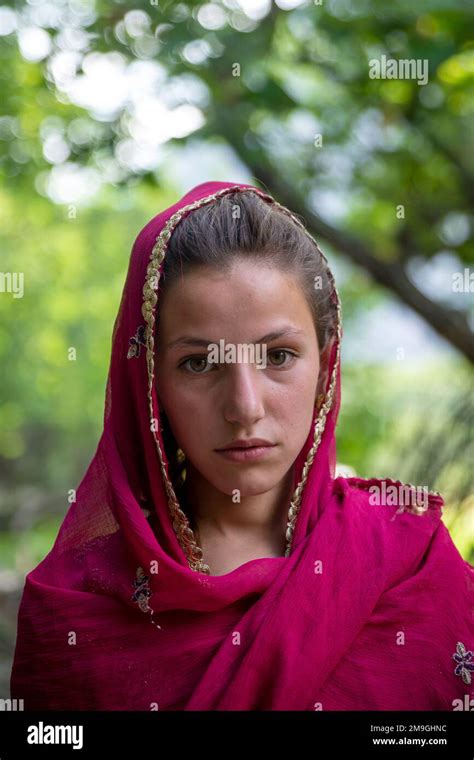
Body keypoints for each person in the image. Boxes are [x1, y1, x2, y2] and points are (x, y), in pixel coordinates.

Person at [10, 180, 473, 710]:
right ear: (150, 382)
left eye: (278, 356)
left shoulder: (410, 559)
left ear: (326, 363)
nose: (244, 406)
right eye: (200, 363)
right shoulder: (77, 603)